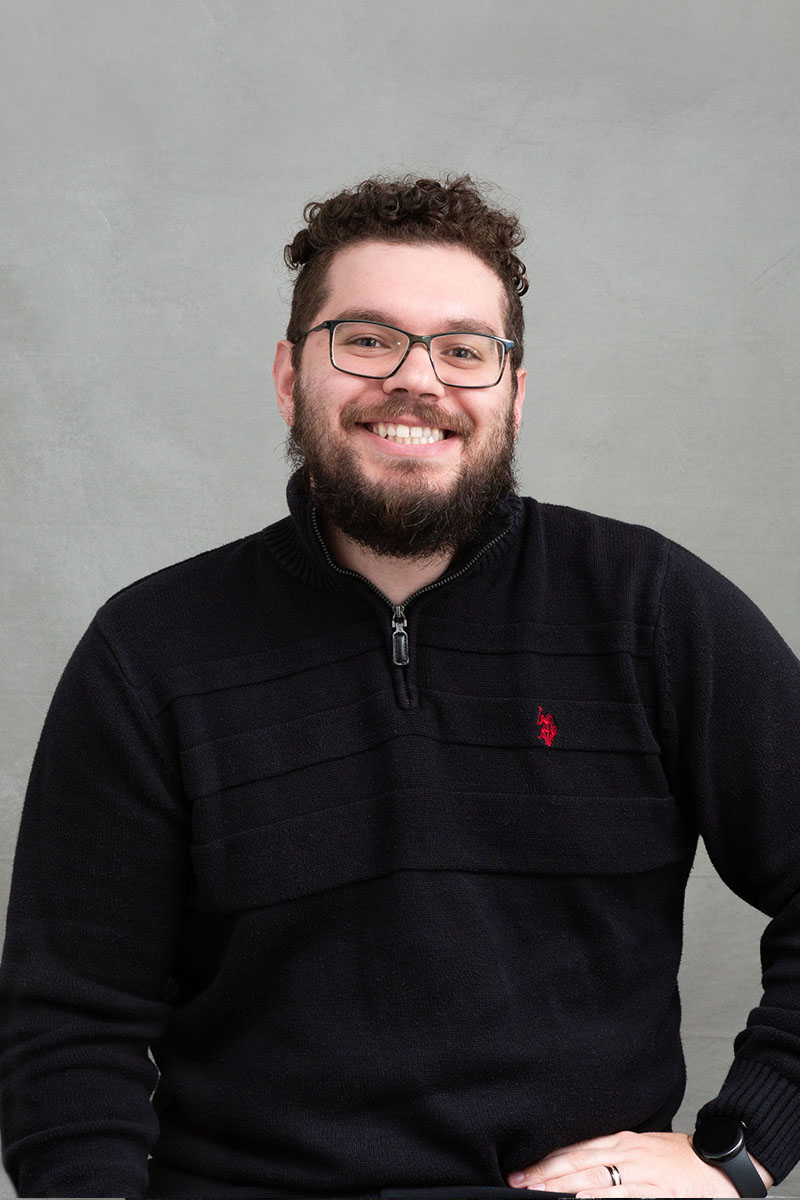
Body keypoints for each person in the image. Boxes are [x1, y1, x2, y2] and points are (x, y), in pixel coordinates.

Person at [1, 174, 798, 1200]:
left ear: (513, 390)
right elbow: (67, 1024)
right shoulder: (150, 652)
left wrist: (738, 1153)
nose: (416, 381)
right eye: (366, 339)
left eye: (463, 350)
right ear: (291, 377)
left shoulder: (646, 609)